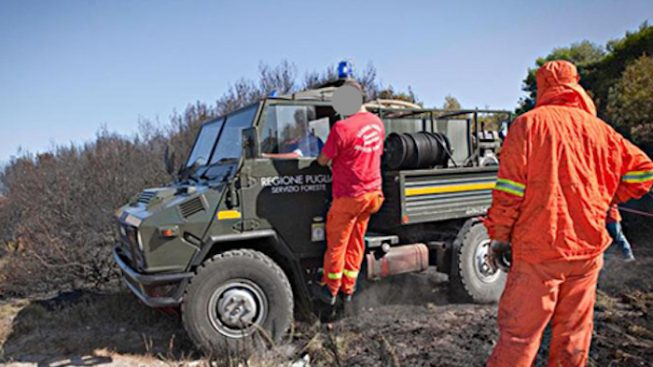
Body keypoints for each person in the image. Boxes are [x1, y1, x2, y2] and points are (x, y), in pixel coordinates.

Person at [484, 60, 653, 367]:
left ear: (542, 87)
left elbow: (509, 192)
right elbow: (643, 171)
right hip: (586, 252)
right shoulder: (602, 131)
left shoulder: (528, 125)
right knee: (574, 336)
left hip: (539, 250)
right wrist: (606, 196)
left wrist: (499, 237)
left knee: (520, 336)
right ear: (576, 85)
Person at [314, 80, 385, 305]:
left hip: (350, 196)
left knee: (337, 244)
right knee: (356, 242)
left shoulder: (342, 128)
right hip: (373, 195)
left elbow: (323, 159)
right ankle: (348, 289)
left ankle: (330, 291)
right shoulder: (377, 124)